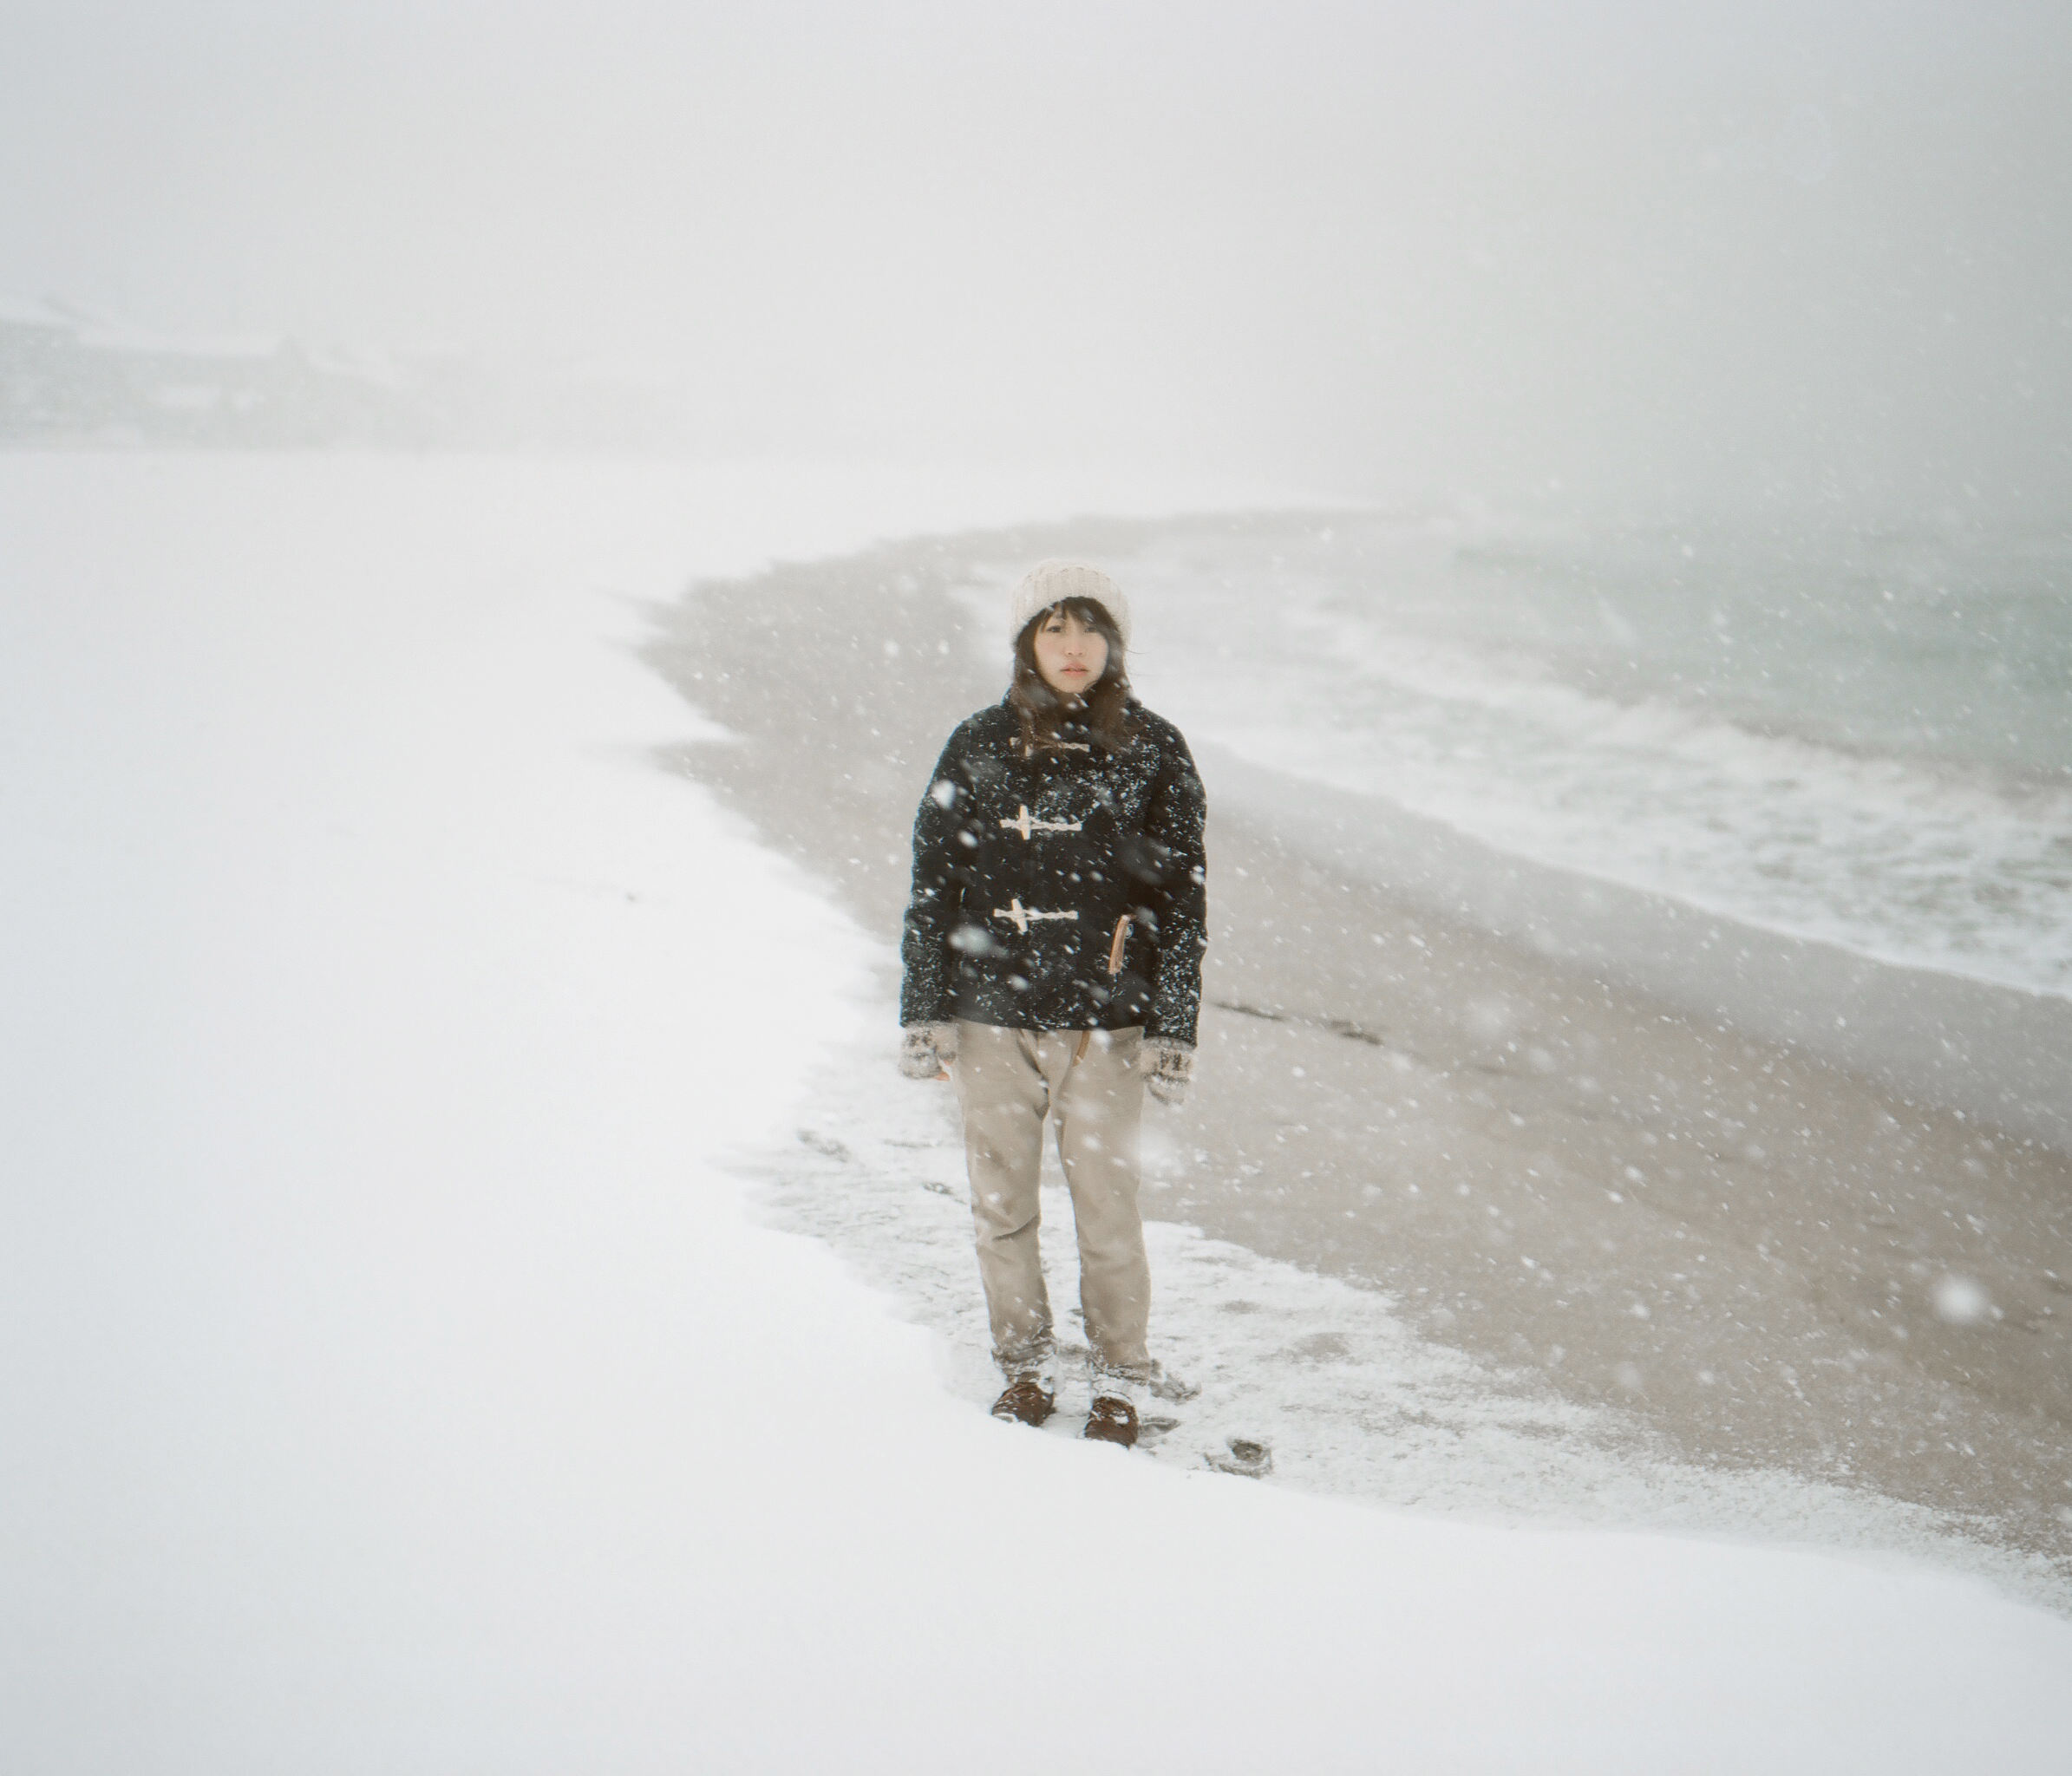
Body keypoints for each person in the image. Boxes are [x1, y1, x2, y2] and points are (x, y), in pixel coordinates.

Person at [899, 560, 1206, 1447]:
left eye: (1090, 627)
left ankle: (1119, 1372)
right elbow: (934, 885)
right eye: (1052, 628)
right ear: (1024, 640)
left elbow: (1183, 900)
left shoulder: (1154, 747)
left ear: (1115, 641)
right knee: (1001, 1204)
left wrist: (1171, 1023)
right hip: (990, 1014)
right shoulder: (978, 743)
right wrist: (925, 1007)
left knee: (1108, 1206)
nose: (1073, 648)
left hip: (1105, 1025)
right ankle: (1025, 1365)